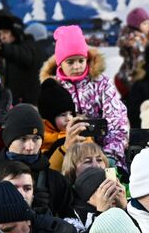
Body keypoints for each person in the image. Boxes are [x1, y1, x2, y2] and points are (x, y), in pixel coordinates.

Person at [41, 25, 130, 160]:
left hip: (105, 153)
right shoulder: (52, 89)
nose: (77, 66)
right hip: (67, 155)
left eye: (81, 60)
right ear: (60, 64)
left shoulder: (102, 84)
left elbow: (117, 121)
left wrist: (109, 156)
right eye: (70, 62)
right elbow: (47, 129)